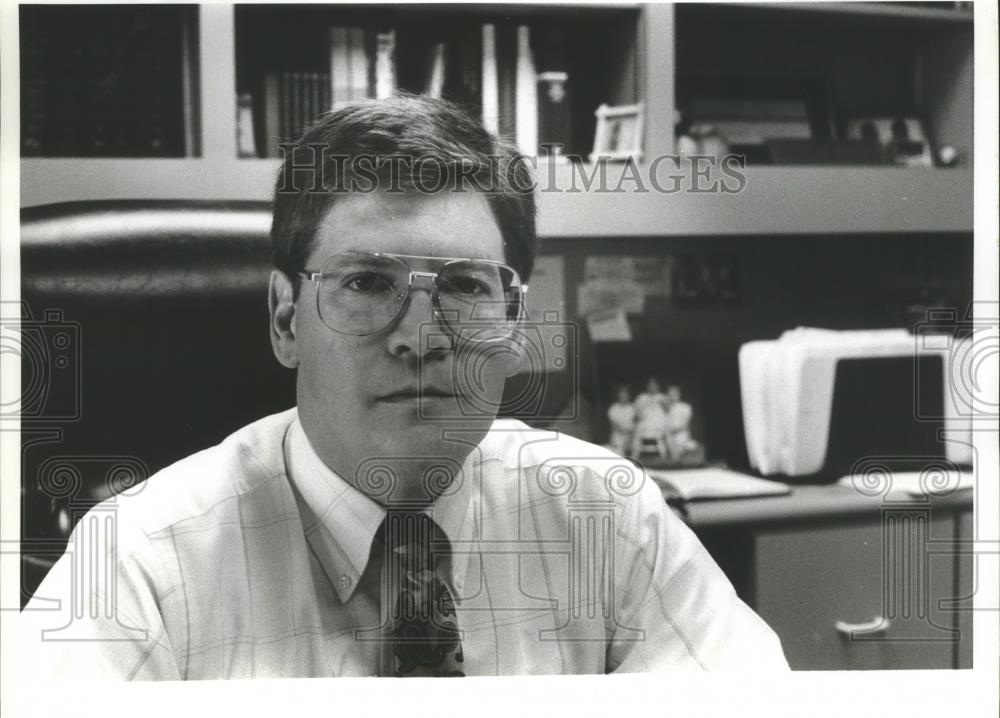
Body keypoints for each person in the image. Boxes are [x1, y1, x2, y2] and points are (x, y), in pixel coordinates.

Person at [19, 96, 787, 679]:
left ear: (514, 324)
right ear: (287, 320)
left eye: (463, 286)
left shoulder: (604, 513)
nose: (420, 334)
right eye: (366, 282)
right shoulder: (142, 560)